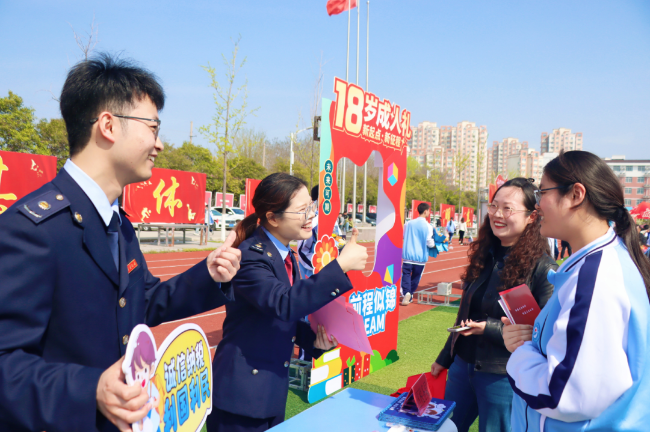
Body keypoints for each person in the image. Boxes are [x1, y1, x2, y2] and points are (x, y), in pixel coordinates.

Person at [0, 54, 241, 432]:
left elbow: (143, 301)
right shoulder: (32, 230)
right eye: (153, 126)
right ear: (108, 125)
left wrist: (209, 274)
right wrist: (91, 389)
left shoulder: (119, 224)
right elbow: (6, 362)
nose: (160, 144)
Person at [207, 173, 368, 432]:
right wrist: (341, 266)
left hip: (269, 390)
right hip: (242, 396)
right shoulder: (250, 255)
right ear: (273, 218)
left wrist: (313, 341)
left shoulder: (284, 253)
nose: (311, 217)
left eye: (311, 208)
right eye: (302, 211)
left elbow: (277, 318)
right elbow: (283, 303)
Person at [503, 151, 650, 431]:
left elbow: (564, 396)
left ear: (576, 195)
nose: (536, 205)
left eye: (542, 192)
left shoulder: (596, 278)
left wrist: (521, 352)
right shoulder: (598, 264)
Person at [431, 178, 557, 432]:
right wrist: (445, 357)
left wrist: (486, 328)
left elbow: (540, 334)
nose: (497, 214)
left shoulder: (543, 269)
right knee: (444, 428)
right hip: (461, 367)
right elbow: (464, 313)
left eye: (507, 208)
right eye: (494, 206)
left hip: (502, 376)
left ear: (532, 216)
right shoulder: (484, 254)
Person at [401, 203, 436, 305]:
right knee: (416, 278)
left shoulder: (408, 224)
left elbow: (404, 235)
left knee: (406, 275)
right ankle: (410, 294)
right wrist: (435, 245)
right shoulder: (428, 226)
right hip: (420, 258)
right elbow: (429, 242)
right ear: (425, 211)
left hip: (408, 256)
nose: (429, 213)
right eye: (429, 211)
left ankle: (406, 293)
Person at [296, 185, 320, 278]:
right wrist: (321, 265)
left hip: (330, 272)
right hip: (313, 274)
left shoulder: (333, 220)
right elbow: (302, 252)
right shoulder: (311, 221)